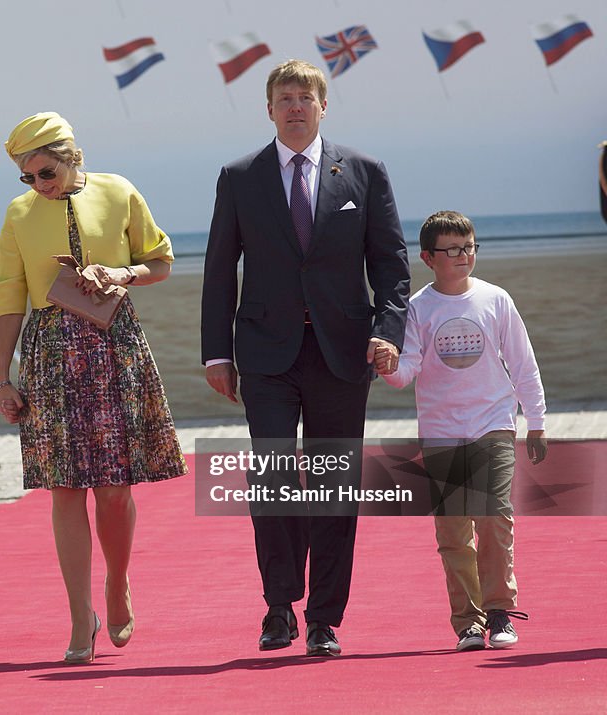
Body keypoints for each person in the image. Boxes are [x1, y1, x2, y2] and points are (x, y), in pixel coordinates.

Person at [200, 59, 411, 657]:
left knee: (331, 484)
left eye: (305, 98)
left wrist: (389, 333)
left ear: (324, 106)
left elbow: (392, 268)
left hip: (343, 352)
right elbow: (220, 270)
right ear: (269, 109)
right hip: (265, 354)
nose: (295, 106)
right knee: (271, 476)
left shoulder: (365, 172)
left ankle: (324, 618)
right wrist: (217, 352)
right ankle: (277, 606)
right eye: (284, 98)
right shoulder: (239, 175)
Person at [0, 112, 187, 663]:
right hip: (50, 352)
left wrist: (119, 274)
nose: (38, 186)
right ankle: (81, 615)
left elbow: (161, 260)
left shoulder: (118, 191)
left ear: (71, 156)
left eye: (45, 173)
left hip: (113, 344)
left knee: (114, 486)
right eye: (28, 178)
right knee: (65, 488)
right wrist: (2, 377)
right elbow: (8, 297)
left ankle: (117, 582)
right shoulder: (19, 214)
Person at [379, 210, 546, 652]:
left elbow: (523, 364)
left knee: (493, 517)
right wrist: (387, 367)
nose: (463, 256)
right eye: (452, 249)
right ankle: (468, 623)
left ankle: (499, 611)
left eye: (469, 246)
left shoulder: (496, 300)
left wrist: (537, 422)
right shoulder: (417, 308)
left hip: (493, 425)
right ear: (428, 258)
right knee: (453, 531)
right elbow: (408, 370)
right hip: (441, 431)